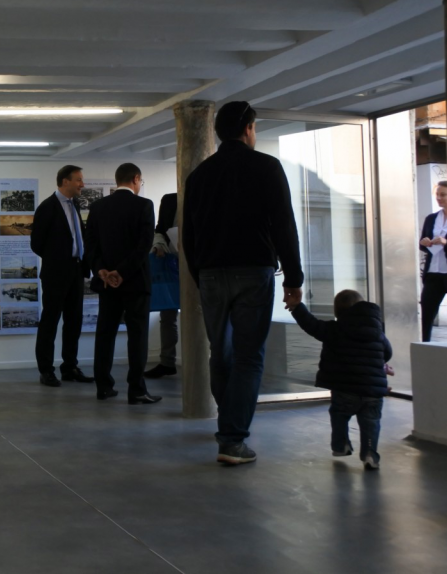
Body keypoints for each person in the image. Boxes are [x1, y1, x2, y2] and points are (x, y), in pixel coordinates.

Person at [183, 100, 304, 465]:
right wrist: (294, 277)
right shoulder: (266, 166)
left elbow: (189, 234)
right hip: (254, 272)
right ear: (249, 128)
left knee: (220, 352)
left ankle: (229, 423)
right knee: (249, 356)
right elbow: (284, 224)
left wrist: (200, 275)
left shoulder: (199, 175)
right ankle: (232, 439)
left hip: (210, 274)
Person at [286, 289, 393, 470]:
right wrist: (378, 365)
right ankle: (370, 454)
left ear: (337, 311)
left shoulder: (334, 329)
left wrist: (297, 308)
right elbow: (387, 353)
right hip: (373, 393)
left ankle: (341, 445)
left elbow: (311, 325)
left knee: (339, 415)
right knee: (371, 423)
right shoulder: (377, 332)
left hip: (345, 391)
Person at [85, 163, 160, 403]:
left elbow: (91, 245)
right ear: (136, 179)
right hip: (135, 282)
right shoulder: (144, 205)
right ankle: (136, 390)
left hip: (107, 284)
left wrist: (102, 271)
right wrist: (122, 272)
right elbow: (144, 245)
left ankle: (103, 387)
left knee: (105, 334)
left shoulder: (98, 207)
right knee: (137, 336)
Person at [31, 165, 93, 386]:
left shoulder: (74, 204)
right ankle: (46, 370)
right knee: (50, 321)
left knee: (74, 321)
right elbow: (37, 244)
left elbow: (78, 238)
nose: (82, 184)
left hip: (76, 271)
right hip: (56, 273)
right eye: (78, 180)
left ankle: (70, 367)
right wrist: (57, 260)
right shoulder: (47, 207)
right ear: (65, 181)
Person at [146, 192, 179, 379]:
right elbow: (160, 229)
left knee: (202, 316)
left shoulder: (206, 195)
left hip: (200, 264)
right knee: (167, 314)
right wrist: (158, 244)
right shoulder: (169, 200)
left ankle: (203, 363)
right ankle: (167, 362)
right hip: (171, 263)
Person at [419, 180, 447, 342]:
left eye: (443, 194)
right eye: (437, 194)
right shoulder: (431, 218)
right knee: (427, 313)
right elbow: (422, 244)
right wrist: (425, 242)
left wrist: (446, 242)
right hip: (433, 272)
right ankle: (424, 345)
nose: (439, 198)